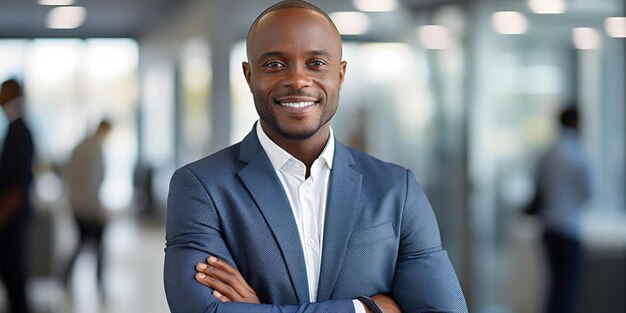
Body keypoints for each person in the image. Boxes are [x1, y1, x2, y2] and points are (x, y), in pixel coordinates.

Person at [164, 1, 467, 312]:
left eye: (316, 63)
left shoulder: (396, 189)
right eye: (274, 65)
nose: (297, 80)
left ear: (340, 74)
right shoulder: (202, 187)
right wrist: (362, 309)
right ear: (249, 75)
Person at [536, 106, 592, 313]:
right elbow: (587, 193)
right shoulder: (578, 153)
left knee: (555, 285)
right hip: (569, 227)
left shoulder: (547, 153)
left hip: (548, 227)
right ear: (576, 123)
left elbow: (538, 189)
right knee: (567, 287)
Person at [63, 120, 112, 299]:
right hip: (88, 208)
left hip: (78, 204)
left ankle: (66, 279)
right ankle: (99, 285)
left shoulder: (81, 146)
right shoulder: (94, 149)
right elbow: (92, 182)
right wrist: (97, 211)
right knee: (95, 247)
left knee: (82, 243)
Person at [0, 78, 34, 313]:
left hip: (12, 215)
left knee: (12, 271)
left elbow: (18, 183)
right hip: (12, 213)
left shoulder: (18, 131)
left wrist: (2, 214)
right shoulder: (15, 129)